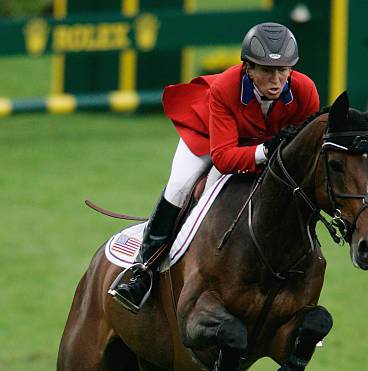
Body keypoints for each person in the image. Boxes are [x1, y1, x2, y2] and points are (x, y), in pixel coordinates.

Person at [112, 22, 320, 313]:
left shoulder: (305, 90)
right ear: (247, 68)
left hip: (263, 146)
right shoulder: (225, 87)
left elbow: (302, 154)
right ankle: (142, 271)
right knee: (180, 186)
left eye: (283, 70)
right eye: (266, 71)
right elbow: (223, 157)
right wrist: (266, 151)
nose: (276, 80)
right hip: (210, 138)